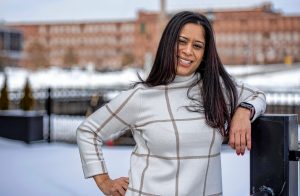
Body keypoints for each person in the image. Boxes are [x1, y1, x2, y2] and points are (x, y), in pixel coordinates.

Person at [76, 11, 266, 196]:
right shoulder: (141, 97)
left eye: (197, 46)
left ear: (205, 53)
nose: (188, 51)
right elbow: (88, 131)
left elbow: (258, 95)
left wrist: (243, 111)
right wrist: (104, 182)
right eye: (182, 42)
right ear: (168, 42)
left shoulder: (217, 88)